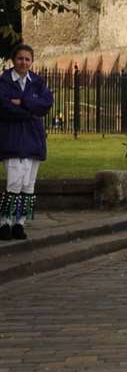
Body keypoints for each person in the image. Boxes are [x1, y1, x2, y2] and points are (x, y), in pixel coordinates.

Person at [0, 44, 53, 241]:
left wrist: (22, 102)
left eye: (27, 59)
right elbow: (4, 107)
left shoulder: (38, 82)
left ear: (32, 61)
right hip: (12, 137)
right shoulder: (4, 81)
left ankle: (20, 223)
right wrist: (31, 109)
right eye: (20, 58)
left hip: (33, 137)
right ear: (14, 60)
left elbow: (46, 104)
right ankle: (5, 221)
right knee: (14, 182)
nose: (23, 62)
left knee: (29, 185)